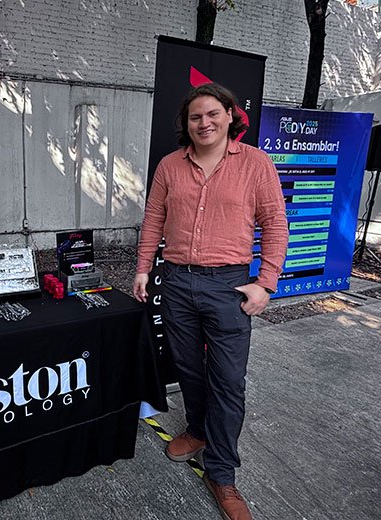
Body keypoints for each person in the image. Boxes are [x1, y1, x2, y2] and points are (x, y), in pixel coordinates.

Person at [132, 83, 288, 520]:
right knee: (187, 368)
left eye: (213, 114)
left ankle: (221, 474)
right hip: (176, 282)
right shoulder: (170, 166)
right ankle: (198, 429)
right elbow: (154, 220)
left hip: (229, 286)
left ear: (230, 116)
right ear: (186, 123)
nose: (204, 123)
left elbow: (275, 224)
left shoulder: (255, 163)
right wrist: (143, 268)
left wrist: (265, 283)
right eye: (195, 117)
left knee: (228, 381)